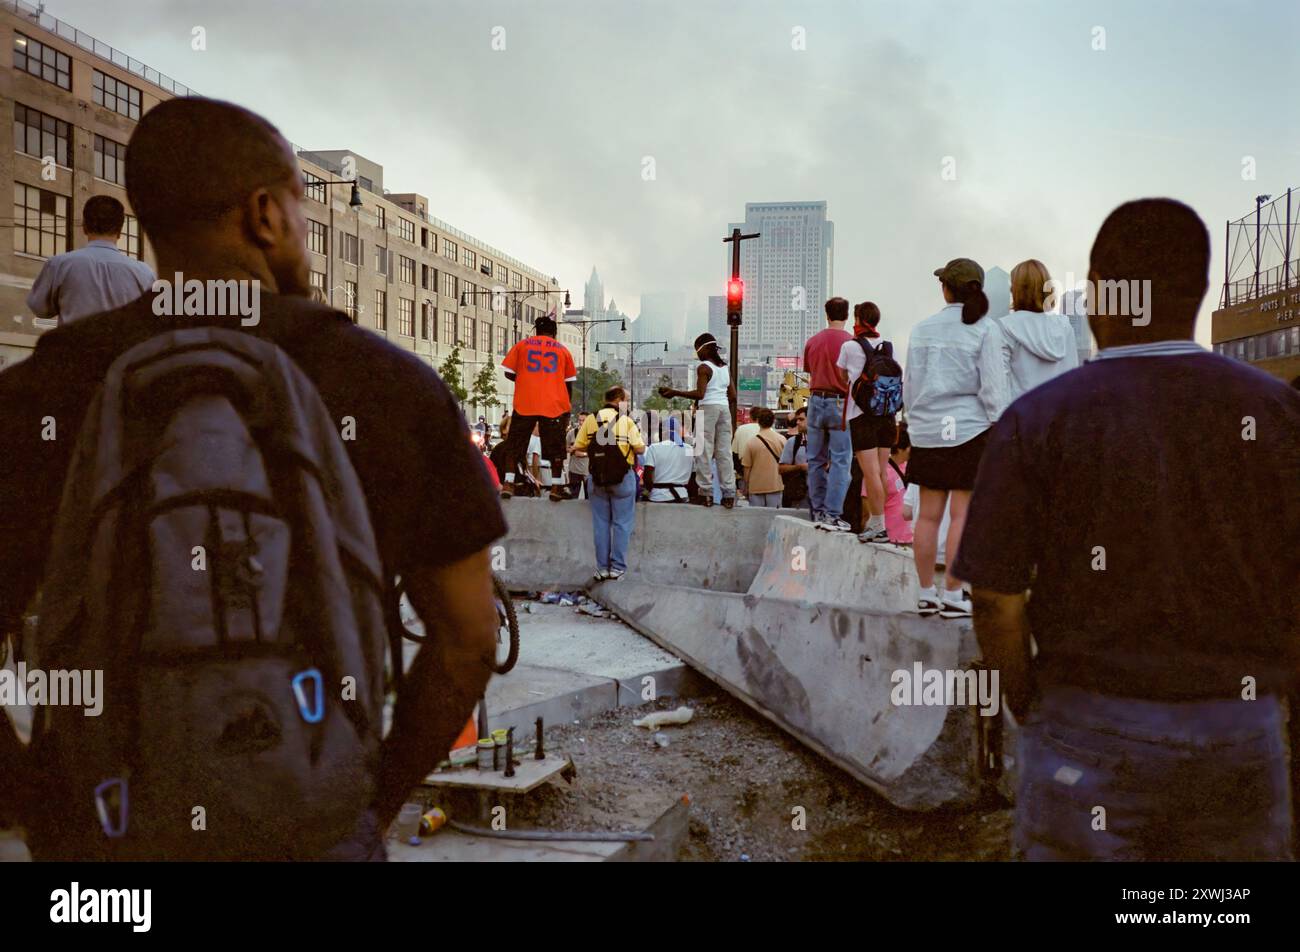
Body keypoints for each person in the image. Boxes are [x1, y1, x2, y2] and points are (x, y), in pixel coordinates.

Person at [0, 98, 502, 860]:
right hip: (312, 830)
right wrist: (368, 800)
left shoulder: (46, 387)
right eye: (300, 208)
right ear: (265, 215)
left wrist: (42, 799)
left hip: (104, 852)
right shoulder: (389, 386)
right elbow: (468, 638)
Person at [957, 198, 1300, 861]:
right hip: (1239, 728)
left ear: (1101, 295)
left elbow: (996, 597)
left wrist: (1029, 701)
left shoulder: (1038, 421)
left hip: (1086, 729)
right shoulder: (1277, 412)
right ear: (1199, 292)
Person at [903, 258, 1008, 618]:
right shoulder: (986, 329)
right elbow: (993, 386)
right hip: (969, 431)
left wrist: (916, 427)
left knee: (927, 517)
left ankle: (924, 593)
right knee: (963, 515)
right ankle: (953, 593)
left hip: (928, 431)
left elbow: (910, 386)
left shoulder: (921, 329)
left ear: (946, 288)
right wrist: (999, 425)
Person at [26, 195, 155, 326]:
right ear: (120, 231)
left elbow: (39, 309)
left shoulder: (59, 264)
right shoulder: (144, 273)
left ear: (84, 227)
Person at [982, 258, 1079, 414]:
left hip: (1022, 421)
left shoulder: (1003, 328)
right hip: (1057, 420)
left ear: (1016, 290)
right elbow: (1073, 379)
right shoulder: (1064, 326)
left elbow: (998, 387)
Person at [499, 314, 578, 502]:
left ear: (536, 330)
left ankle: (508, 483)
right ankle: (557, 487)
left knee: (515, 445)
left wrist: (526, 380)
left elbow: (509, 373)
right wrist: (566, 408)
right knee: (555, 448)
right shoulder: (563, 351)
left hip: (526, 402)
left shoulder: (522, 345)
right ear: (554, 333)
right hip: (553, 405)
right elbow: (568, 384)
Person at [836, 301, 897, 544]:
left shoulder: (850, 346)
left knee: (868, 472)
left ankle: (879, 525)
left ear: (858, 319)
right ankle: (877, 521)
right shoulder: (888, 346)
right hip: (887, 415)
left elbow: (841, 376)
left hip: (861, 416)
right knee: (881, 471)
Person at [574, 386, 646, 579]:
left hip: (597, 479)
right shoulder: (627, 421)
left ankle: (602, 568)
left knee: (601, 524)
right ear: (619, 399)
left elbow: (578, 446)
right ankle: (618, 568)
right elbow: (639, 450)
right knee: (622, 524)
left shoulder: (590, 419)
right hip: (623, 479)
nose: (628, 404)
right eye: (627, 400)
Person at [658, 333, 736, 509]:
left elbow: (700, 394)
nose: (697, 355)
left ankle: (706, 493)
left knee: (703, 451)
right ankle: (729, 494)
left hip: (707, 409)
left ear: (705, 349)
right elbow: (733, 396)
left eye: (697, 351)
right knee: (724, 453)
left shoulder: (704, 368)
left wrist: (675, 392)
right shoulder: (724, 368)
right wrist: (719, 401)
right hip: (724, 410)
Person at [802, 297, 854, 531]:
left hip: (815, 401)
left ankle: (818, 511)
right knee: (841, 460)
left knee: (815, 460)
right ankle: (833, 514)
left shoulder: (813, 341)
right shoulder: (852, 343)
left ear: (827, 314)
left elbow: (809, 370)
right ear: (847, 315)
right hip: (840, 403)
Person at [739, 407, 786, 508]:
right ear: (773, 421)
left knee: (757, 520)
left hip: (755, 487)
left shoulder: (751, 442)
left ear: (758, 421)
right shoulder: (782, 440)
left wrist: (746, 486)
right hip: (775, 485)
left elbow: (747, 468)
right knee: (774, 518)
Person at [642, 416, 693, 503]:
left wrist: (648, 491)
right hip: (682, 496)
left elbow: (647, 477)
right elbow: (693, 475)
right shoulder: (689, 449)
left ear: (663, 431)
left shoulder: (654, 448)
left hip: (658, 497)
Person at [882, 422, 912, 545]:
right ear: (900, 449)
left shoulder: (911, 469)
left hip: (911, 539)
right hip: (890, 541)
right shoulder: (882, 472)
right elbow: (867, 510)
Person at [778, 405, 810, 510]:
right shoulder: (793, 442)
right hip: (799, 496)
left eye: (801, 419)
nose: (797, 423)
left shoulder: (826, 442)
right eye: (797, 420)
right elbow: (781, 468)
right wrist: (800, 467)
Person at [566, 410, 591, 499]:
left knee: (589, 497)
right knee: (573, 496)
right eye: (580, 420)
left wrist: (584, 453)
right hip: (574, 470)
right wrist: (572, 450)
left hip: (587, 471)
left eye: (584, 420)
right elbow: (566, 447)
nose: (581, 422)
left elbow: (596, 451)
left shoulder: (592, 434)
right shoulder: (571, 433)